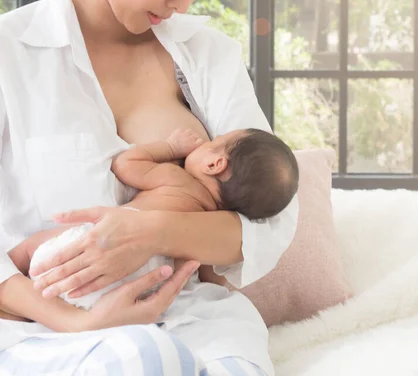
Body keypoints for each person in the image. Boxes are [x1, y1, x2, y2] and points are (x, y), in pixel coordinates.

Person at [0, 0, 298, 373]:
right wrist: (77, 321)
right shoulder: (10, 54)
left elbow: (267, 222)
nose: (185, 1)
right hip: (53, 328)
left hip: (202, 320)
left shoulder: (206, 54)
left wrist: (146, 232)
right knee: (136, 359)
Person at [17, 126, 299, 311]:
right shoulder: (209, 227)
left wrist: (170, 147)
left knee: (32, 249)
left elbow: (125, 164)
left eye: (214, 142)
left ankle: (13, 280)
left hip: (103, 245)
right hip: (138, 286)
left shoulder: (177, 179)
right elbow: (207, 278)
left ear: (214, 164)